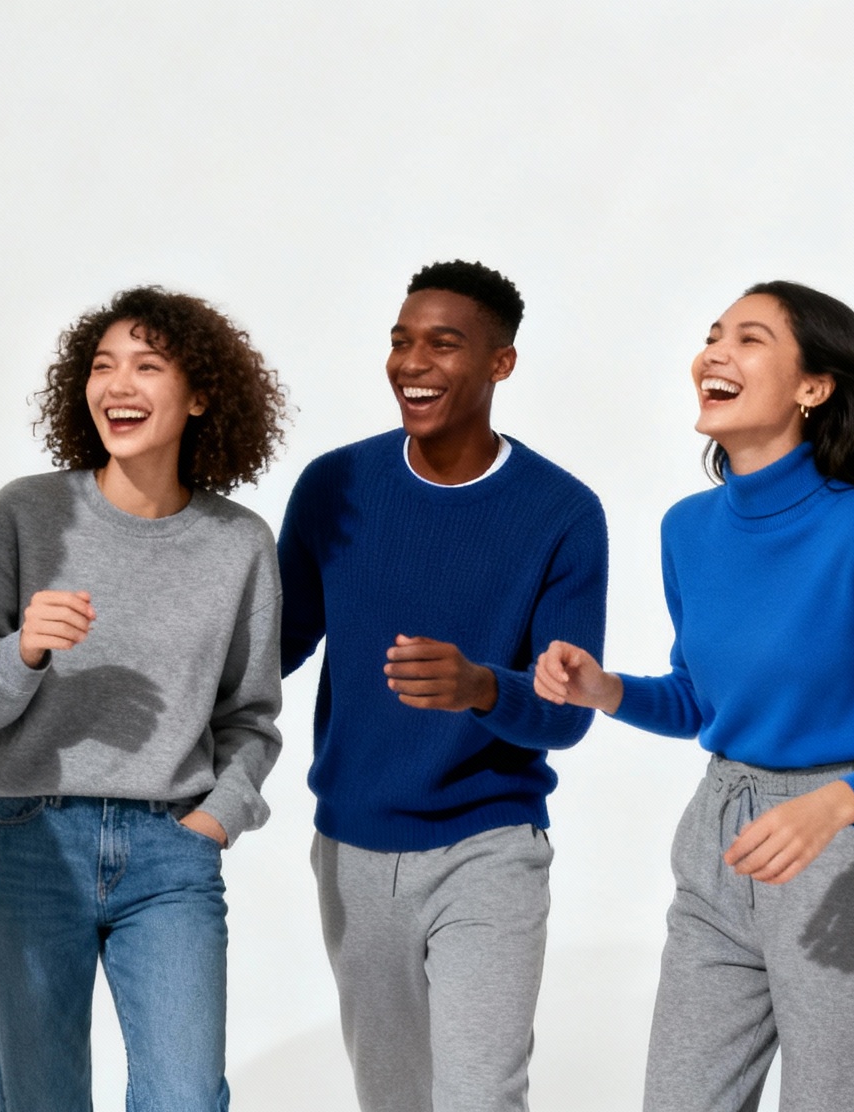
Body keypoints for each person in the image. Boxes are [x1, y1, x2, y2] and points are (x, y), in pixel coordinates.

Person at [535, 281, 854, 1112]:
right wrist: (606, 690)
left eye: (749, 339)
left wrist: (839, 805)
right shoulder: (687, 528)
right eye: (713, 334)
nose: (715, 353)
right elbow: (698, 700)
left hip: (840, 854)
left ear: (812, 387)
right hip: (716, 841)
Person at [277, 260, 609, 1112]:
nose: (412, 363)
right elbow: (269, 650)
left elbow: (567, 717)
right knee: (392, 1098)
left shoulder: (563, 513)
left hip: (489, 845)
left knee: (479, 1096)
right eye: (401, 341)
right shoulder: (334, 487)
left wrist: (481, 687)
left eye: (443, 344)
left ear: (501, 363)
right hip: (353, 846)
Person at [0, 286, 288, 1112]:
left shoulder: (239, 543)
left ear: (200, 395)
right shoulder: (27, 514)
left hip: (172, 855)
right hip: (31, 845)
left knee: (185, 1099)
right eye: (103, 366)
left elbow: (250, 716)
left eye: (147, 366)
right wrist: (23, 651)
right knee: (41, 1100)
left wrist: (218, 818)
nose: (118, 386)